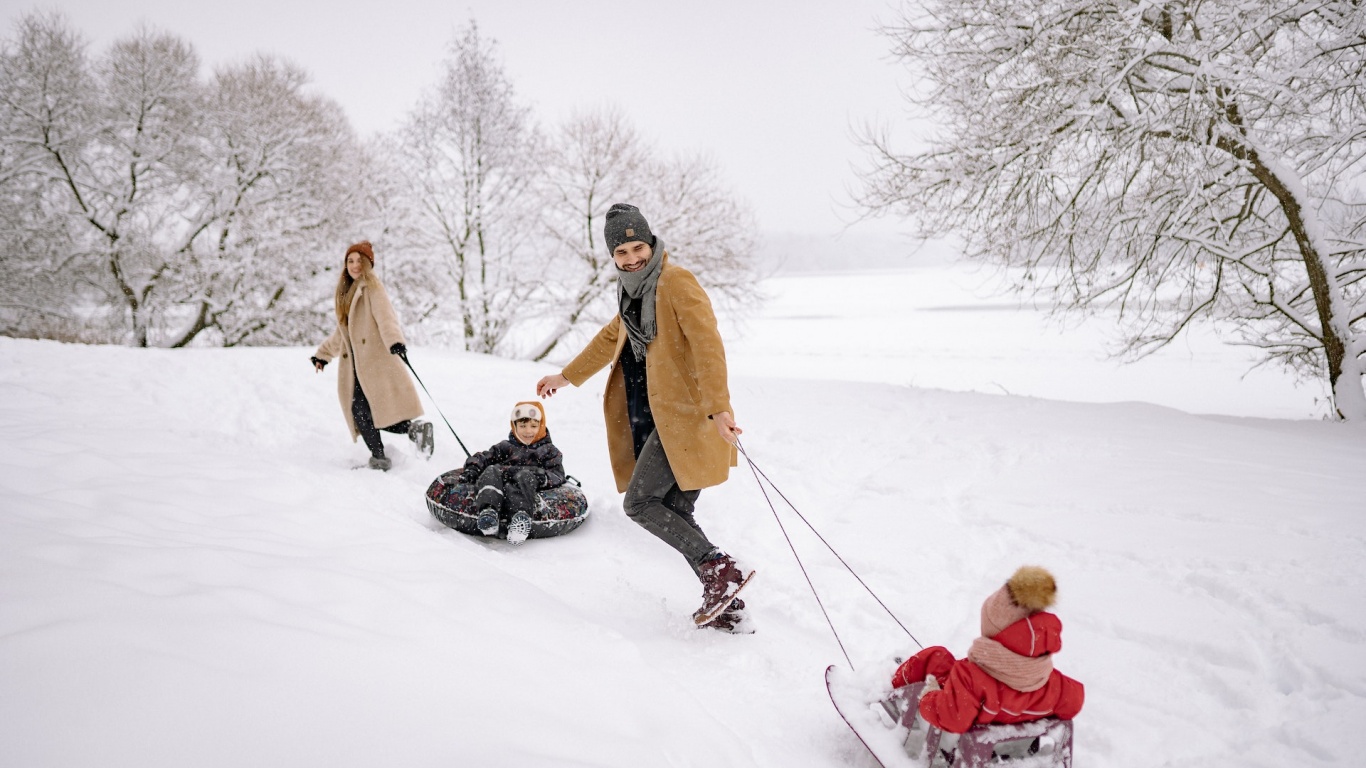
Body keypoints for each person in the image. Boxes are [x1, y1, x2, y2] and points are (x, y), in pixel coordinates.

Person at [536, 203, 753, 632]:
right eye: (622, 252)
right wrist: (565, 376)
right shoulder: (633, 292)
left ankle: (719, 568)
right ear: (612, 257)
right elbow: (609, 339)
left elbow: (708, 345)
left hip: (688, 418)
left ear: (651, 243)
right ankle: (727, 604)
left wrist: (719, 408)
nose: (632, 257)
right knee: (673, 508)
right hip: (655, 419)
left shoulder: (674, 282)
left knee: (639, 503)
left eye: (638, 247)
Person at [890, 565, 1085, 734]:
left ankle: (892, 689)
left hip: (959, 701)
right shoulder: (1052, 684)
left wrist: (929, 697)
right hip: (986, 709)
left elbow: (952, 718)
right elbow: (1075, 699)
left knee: (936, 656)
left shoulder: (970, 677)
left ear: (996, 637)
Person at [311, 241, 432, 471]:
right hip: (356, 368)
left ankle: (380, 458)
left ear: (368, 264)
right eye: (350, 261)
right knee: (367, 413)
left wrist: (395, 341)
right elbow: (342, 333)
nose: (355, 265)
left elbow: (386, 318)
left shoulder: (372, 288)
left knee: (363, 412)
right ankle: (411, 432)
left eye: (359, 261)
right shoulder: (347, 292)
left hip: (374, 363)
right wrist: (323, 355)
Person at [457, 401, 567, 546]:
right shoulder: (505, 447)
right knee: (490, 470)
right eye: (522, 426)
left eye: (533, 426)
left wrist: (543, 477)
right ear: (514, 426)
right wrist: (472, 469)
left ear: (541, 426)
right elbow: (483, 457)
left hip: (526, 484)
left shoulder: (548, 451)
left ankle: (520, 520)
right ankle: (489, 512)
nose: (528, 431)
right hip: (501, 481)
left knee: (524, 476)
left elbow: (557, 473)